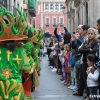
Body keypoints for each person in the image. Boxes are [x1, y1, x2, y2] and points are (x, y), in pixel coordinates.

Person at [79, 28, 98, 100]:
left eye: (91, 34)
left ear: (94, 34)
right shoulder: (86, 42)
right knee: (85, 78)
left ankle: (91, 95)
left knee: (92, 78)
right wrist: (88, 50)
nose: (90, 35)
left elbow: (94, 51)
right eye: (89, 34)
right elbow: (80, 50)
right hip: (84, 61)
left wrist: (86, 50)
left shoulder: (96, 42)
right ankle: (88, 94)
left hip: (91, 62)